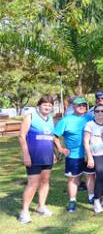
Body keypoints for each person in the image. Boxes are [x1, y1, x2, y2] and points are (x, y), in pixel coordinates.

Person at [18, 96, 56, 224]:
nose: (47, 107)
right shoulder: (31, 117)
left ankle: (41, 207)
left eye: (50, 105)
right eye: (45, 104)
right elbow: (22, 137)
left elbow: (50, 137)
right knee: (33, 183)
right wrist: (26, 155)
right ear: (39, 105)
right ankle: (24, 212)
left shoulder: (50, 119)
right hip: (33, 156)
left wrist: (54, 153)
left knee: (45, 181)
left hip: (47, 156)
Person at [54, 97, 95, 212]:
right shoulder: (66, 120)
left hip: (88, 154)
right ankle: (72, 200)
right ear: (73, 106)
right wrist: (61, 149)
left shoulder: (90, 118)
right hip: (73, 155)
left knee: (90, 175)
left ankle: (91, 197)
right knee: (73, 179)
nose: (81, 107)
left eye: (83, 105)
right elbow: (55, 136)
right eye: (78, 105)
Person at [83, 103, 103, 213]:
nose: (100, 113)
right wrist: (90, 157)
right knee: (100, 175)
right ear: (94, 113)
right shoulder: (90, 124)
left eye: (102, 111)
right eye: (97, 111)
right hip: (96, 154)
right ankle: (96, 200)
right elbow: (86, 142)